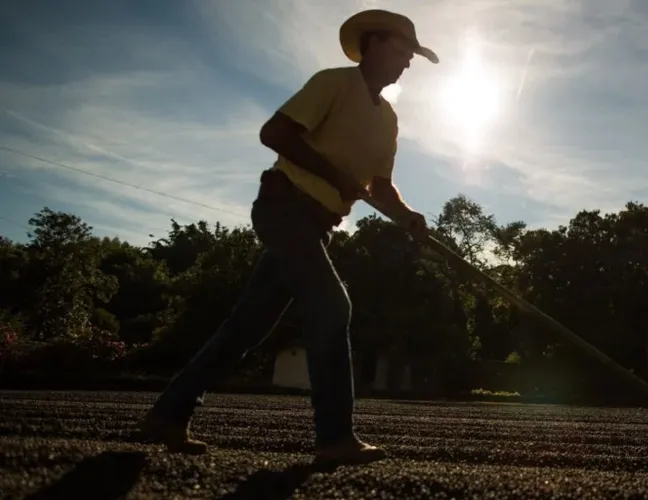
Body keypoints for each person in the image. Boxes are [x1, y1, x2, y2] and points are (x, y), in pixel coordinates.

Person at [138, 9, 438, 466]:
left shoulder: (390, 121)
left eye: (412, 55)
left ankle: (167, 414)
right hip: (284, 208)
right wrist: (333, 173)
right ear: (373, 43)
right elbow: (274, 133)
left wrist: (407, 214)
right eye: (403, 51)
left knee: (246, 328)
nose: (408, 62)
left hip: (315, 225)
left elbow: (379, 186)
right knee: (333, 306)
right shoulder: (333, 83)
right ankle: (335, 437)